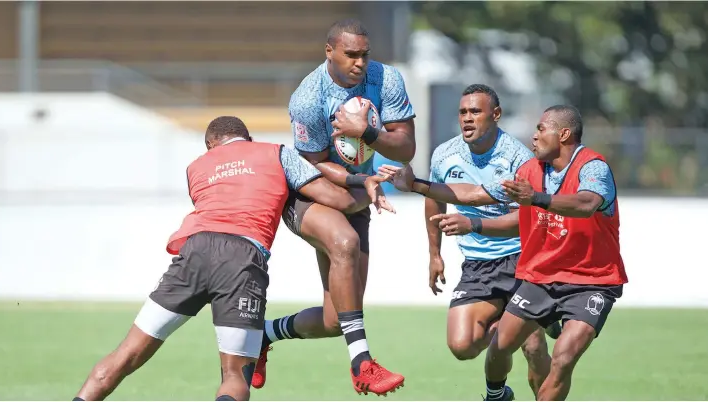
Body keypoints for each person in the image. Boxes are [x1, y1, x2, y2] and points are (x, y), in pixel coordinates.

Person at [72, 116, 393, 402]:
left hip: (192, 254)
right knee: (234, 378)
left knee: (125, 355)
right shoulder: (275, 152)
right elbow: (336, 198)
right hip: (241, 259)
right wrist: (373, 187)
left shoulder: (196, 167)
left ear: (211, 146)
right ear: (248, 139)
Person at [383, 105, 626, 401]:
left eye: (540, 129)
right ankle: (496, 396)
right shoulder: (529, 171)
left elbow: (587, 204)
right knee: (498, 347)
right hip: (541, 278)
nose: (533, 136)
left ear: (563, 134)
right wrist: (416, 185)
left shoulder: (592, 167)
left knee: (562, 358)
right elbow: (475, 194)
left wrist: (535, 198)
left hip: (591, 282)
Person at [252, 18, 416, 396]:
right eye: (351, 55)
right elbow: (313, 160)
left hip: (358, 195)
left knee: (334, 318)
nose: (360, 63)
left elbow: (406, 148)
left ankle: (261, 335)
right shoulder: (308, 98)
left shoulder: (386, 79)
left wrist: (368, 134)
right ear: (329, 52)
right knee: (343, 242)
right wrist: (363, 181)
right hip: (309, 193)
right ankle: (363, 365)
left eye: (364, 54)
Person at [379, 84, 557, 400]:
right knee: (462, 346)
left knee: (531, 346)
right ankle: (516, 334)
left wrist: (474, 223)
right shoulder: (445, 155)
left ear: (496, 115)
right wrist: (434, 254)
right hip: (477, 265)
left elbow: (525, 221)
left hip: (522, 259)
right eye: (463, 112)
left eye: (475, 111)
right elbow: (435, 199)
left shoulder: (518, 158)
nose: (467, 118)